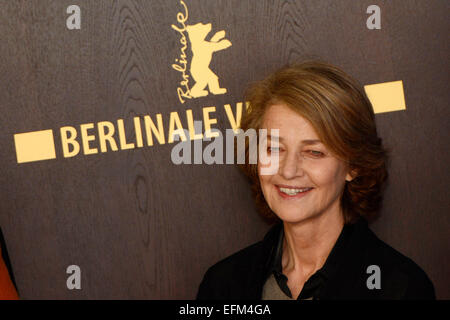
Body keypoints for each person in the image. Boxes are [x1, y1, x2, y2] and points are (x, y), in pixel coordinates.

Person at [196, 60, 435, 300]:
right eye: (274, 149)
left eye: (314, 152)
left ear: (353, 165)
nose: (289, 171)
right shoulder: (222, 285)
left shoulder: (401, 288)